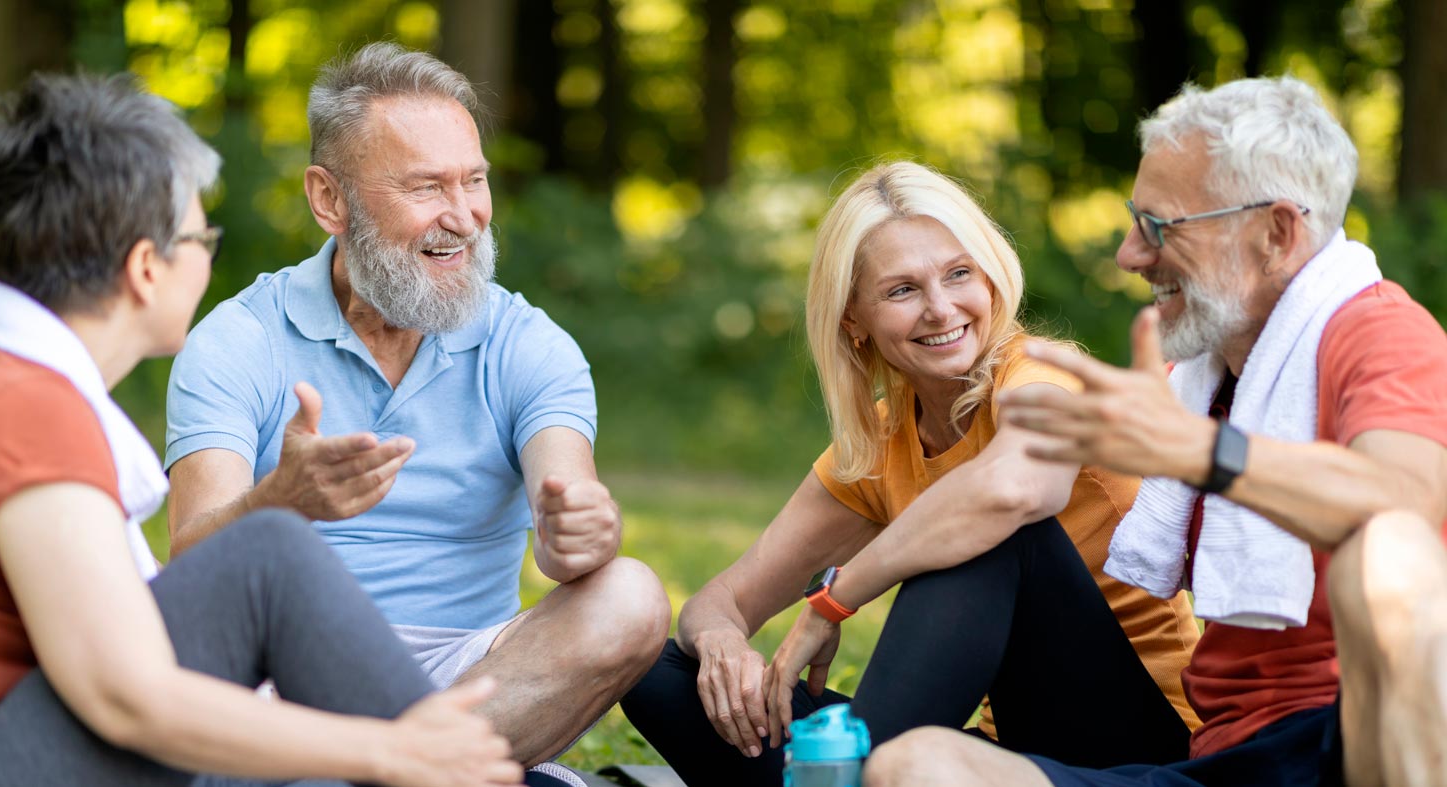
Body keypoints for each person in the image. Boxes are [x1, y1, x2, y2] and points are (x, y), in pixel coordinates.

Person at [0, 73, 524, 787]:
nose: (209, 256)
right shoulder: (23, 414)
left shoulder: (8, 388)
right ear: (146, 268)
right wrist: (386, 752)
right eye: (203, 235)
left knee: (266, 554)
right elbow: (124, 693)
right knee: (266, 554)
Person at [862, 76, 1447, 787]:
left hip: (1349, 738)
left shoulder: (1378, 331)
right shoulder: (1205, 372)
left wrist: (1200, 453)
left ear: (1278, 233)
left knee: (1382, 554)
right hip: (1223, 757)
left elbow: (1406, 504)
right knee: (911, 766)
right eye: (1135, 223)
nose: (1130, 255)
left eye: (1161, 227)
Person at [162, 42, 670, 781]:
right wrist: (281, 502)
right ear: (328, 199)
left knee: (631, 596)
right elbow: (190, 570)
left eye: (474, 181)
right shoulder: (240, 340)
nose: (463, 216)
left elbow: (570, 535)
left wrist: (581, 533)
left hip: (470, 676)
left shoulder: (528, 344)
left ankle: (382, 769)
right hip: (284, 676)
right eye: (427, 186)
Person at [620, 160, 1204, 786]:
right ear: (853, 319)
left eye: (959, 275)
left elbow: (1014, 491)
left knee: (982, 532)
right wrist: (721, 647)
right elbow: (723, 599)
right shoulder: (881, 439)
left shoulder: (1041, 379)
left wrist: (833, 600)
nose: (940, 308)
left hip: (1144, 739)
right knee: (659, 671)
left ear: (990, 277)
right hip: (996, 748)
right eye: (902, 290)